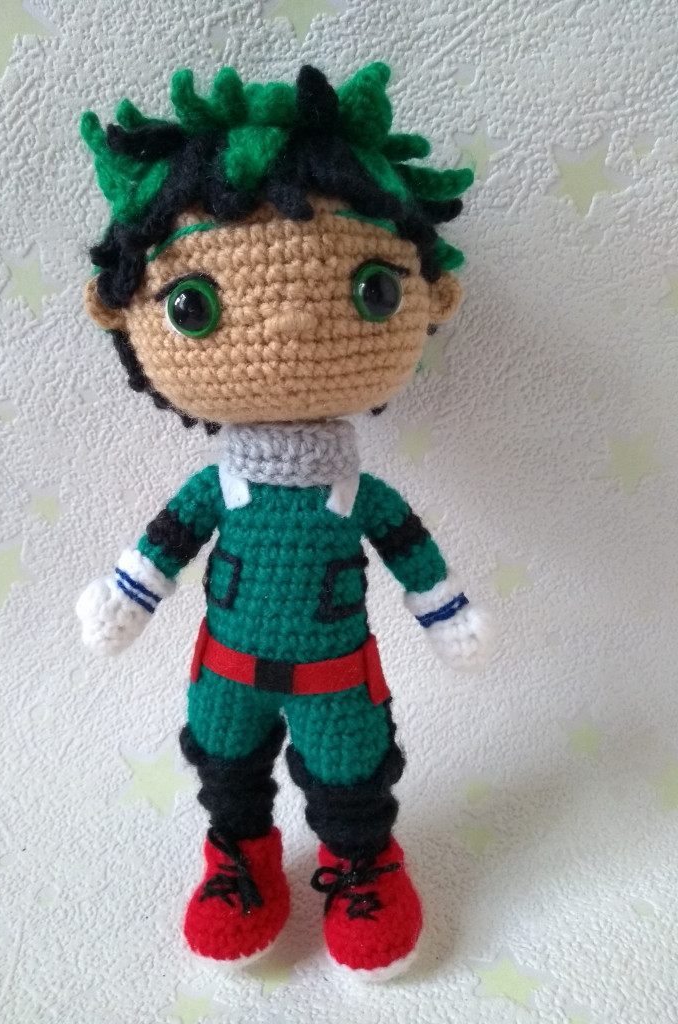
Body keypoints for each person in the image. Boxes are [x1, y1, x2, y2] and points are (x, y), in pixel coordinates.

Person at [76, 62, 492, 980]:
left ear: (431, 297)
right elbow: (165, 544)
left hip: (336, 674)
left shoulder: (357, 494)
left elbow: (409, 549)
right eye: (194, 304)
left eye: (373, 290)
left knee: (352, 777)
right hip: (227, 669)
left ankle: (362, 859)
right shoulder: (216, 490)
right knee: (227, 772)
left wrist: (447, 611)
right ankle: (241, 855)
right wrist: (125, 595)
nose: (292, 328)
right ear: (123, 311)